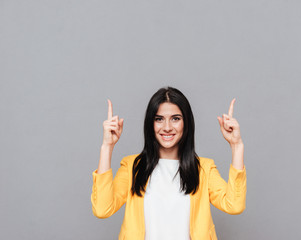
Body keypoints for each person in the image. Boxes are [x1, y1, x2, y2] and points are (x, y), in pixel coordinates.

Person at [91, 86, 247, 240]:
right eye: (159, 119)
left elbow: (234, 205)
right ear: (150, 124)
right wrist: (107, 147)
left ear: (186, 123)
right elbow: (102, 209)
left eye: (175, 119)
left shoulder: (203, 169)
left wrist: (237, 146)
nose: (167, 127)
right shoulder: (133, 167)